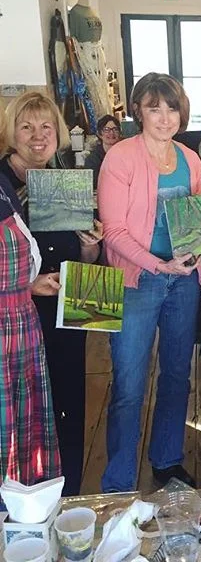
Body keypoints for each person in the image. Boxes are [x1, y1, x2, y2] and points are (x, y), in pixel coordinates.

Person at [98, 73, 201, 492]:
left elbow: (199, 221)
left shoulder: (190, 159)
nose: (164, 117)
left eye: (172, 108)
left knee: (177, 375)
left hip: (184, 281)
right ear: (138, 111)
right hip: (136, 281)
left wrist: (198, 254)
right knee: (129, 384)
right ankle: (119, 480)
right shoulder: (120, 157)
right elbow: (114, 232)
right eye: (153, 108)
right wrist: (160, 266)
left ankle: (167, 460)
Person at [0, 91, 103, 495]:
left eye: (46, 126)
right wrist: (28, 284)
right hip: (17, 319)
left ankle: (68, 493)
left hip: (68, 309)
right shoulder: (2, 186)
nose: (38, 136)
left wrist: (91, 245)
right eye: (26, 127)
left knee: (69, 402)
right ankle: (27, 498)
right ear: (11, 133)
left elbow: (83, 256)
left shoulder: (64, 177)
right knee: (25, 414)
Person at [85, 114, 122, 188]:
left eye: (115, 129)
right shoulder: (92, 159)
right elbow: (94, 184)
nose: (111, 133)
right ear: (99, 134)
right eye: (106, 130)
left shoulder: (126, 154)